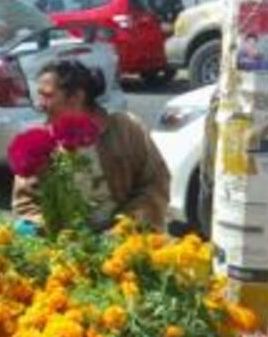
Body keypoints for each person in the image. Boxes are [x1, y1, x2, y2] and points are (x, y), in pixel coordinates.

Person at [12, 59, 170, 231]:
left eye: (48, 96)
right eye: (39, 95)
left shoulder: (126, 129)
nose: (40, 105)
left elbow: (156, 182)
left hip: (124, 240)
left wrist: (124, 227)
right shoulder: (40, 142)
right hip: (65, 246)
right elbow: (25, 202)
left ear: (77, 97)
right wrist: (49, 230)